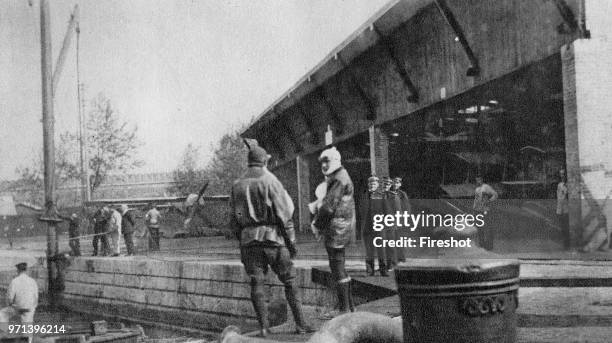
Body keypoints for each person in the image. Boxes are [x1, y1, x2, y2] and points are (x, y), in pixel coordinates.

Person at [230, 142, 312, 337]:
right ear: (264, 161)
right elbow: (285, 215)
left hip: (249, 242)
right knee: (289, 280)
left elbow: (233, 221)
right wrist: (291, 243)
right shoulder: (270, 181)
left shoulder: (237, 185)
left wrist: (242, 240)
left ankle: (264, 328)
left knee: (256, 282)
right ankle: (301, 325)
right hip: (273, 239)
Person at [312, 147, 356, 319]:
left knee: (336, 266)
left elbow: (329, 207)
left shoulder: (338, 178)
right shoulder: (341, 175)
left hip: (336, 228)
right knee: (340, 266)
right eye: (322, 162)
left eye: (326, 161)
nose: (323, 165)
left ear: (335, 161)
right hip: (342, 226)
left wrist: (317, 224)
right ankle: (349, 307)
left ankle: (343, 310)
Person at [359, 176, 387, 276]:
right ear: (368, 184)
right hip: (367, 228)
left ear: (378, 185)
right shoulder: (364, 196)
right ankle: (370, 271)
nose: (372, 185)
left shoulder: (382, 196)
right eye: (370, 184)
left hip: (379, 227)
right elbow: (360, 213)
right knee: (369, 251)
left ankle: (383, 270)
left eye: (374, 184)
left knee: (381, 250)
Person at [473, 176, 498, 251]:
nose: (478, 181)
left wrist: (489, 201)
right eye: (476, 180)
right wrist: (474, 208)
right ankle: (482, 244)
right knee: (479, 227)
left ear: (482, 180)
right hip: (478, 210)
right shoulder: (477, 189)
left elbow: (495, 195)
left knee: (487, 227)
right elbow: (476, 199)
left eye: (479, 180)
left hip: (485, 210)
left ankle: (489, 245)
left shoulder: (486, 187)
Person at [382, 176, 400, 269]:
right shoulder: (378, 195)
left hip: (390, 224)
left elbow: (398, 211)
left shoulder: (393, 196)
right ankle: (383, 264)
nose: (386, 186)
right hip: (379, 223)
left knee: (390, 245)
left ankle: (391, 264)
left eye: (388, 184)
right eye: (384, 184)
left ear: (390, 185)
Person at [556, 170, 570, 249]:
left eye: (563, 174)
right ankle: (565, 244)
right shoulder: (560, 185)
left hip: (566, 209)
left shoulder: (567, 184)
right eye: (561, 174)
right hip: (561, 209)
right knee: (563, 227)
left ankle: (567, 244)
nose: (562, 176)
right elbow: (559, 198)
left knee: (566, 227)